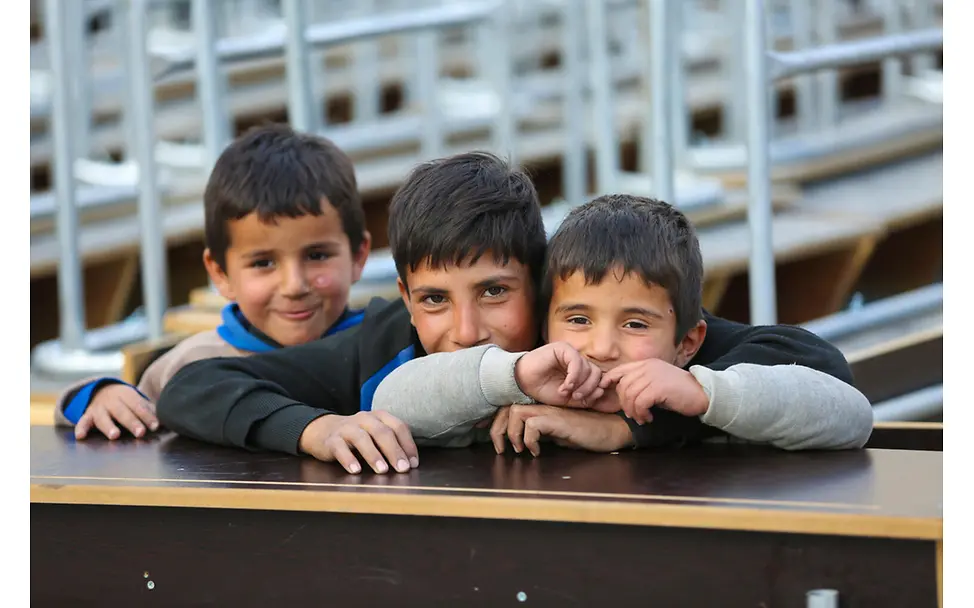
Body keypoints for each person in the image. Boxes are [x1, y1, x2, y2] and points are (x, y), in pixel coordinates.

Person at [156, 152, 860, 475]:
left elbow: (819, 368)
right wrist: (314, 427)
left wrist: (628, 430)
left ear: (545, 286)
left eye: (495, 292)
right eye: (434, 299)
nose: (463, 330)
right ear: (405, 298)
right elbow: (199, 386)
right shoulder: (386, 345)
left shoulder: (615, 337)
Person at [371, 194, 875, 455]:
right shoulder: (531, 374)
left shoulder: (699, 373)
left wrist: (693, 398)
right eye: (577, 319)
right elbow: (392, 402)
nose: (601, 346)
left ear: (687, 343)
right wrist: (514, 374)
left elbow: (850, 413)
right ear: (544, 325)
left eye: (634, 324)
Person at [54, 124, 372, 441]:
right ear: (220, 273)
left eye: (317, 255)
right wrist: (101, 394)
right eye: (264, 263)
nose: (294, 285)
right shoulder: (193, 362)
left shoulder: (383, 346)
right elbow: (84, 406)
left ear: (358, 256)